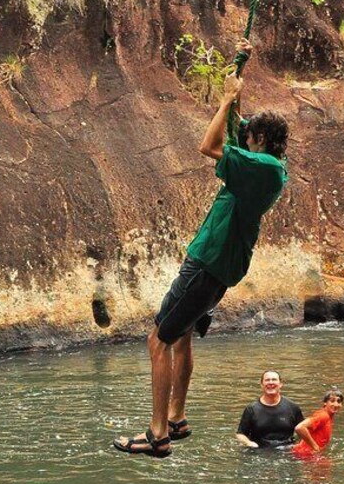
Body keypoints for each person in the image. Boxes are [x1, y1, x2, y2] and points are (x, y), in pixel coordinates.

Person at [114, 39, 290, 457]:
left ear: (261, 140)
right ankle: (177, 417)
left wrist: (229, 96)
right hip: (217, 266)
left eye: (250, 136)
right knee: (183, 337)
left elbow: (209, 146)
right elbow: (232, 129)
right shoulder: (264, 167)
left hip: (207, 265)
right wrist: (237, 84)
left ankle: (157, 435)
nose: (243, 139)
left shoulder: (263, 167)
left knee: (158, 339)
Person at [236, 370, 304, 448]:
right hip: (260, 451)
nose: (270, 383)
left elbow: (303, 431)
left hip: (286, 450)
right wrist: (248, 443)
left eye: (274, 379)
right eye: (267, 380)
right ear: (261, 384)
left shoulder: (292, 407)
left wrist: (300, 445)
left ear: (281, 384)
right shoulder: (251, 409)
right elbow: (240, 434)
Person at [292, 388, 344, 458]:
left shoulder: (328, 416)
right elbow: (300, 428)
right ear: (325, 403)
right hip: (306, 455)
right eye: (332, 401)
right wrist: (315, 447)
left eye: (339, 401)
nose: (336, 404)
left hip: (307, 454)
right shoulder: (323, 416)